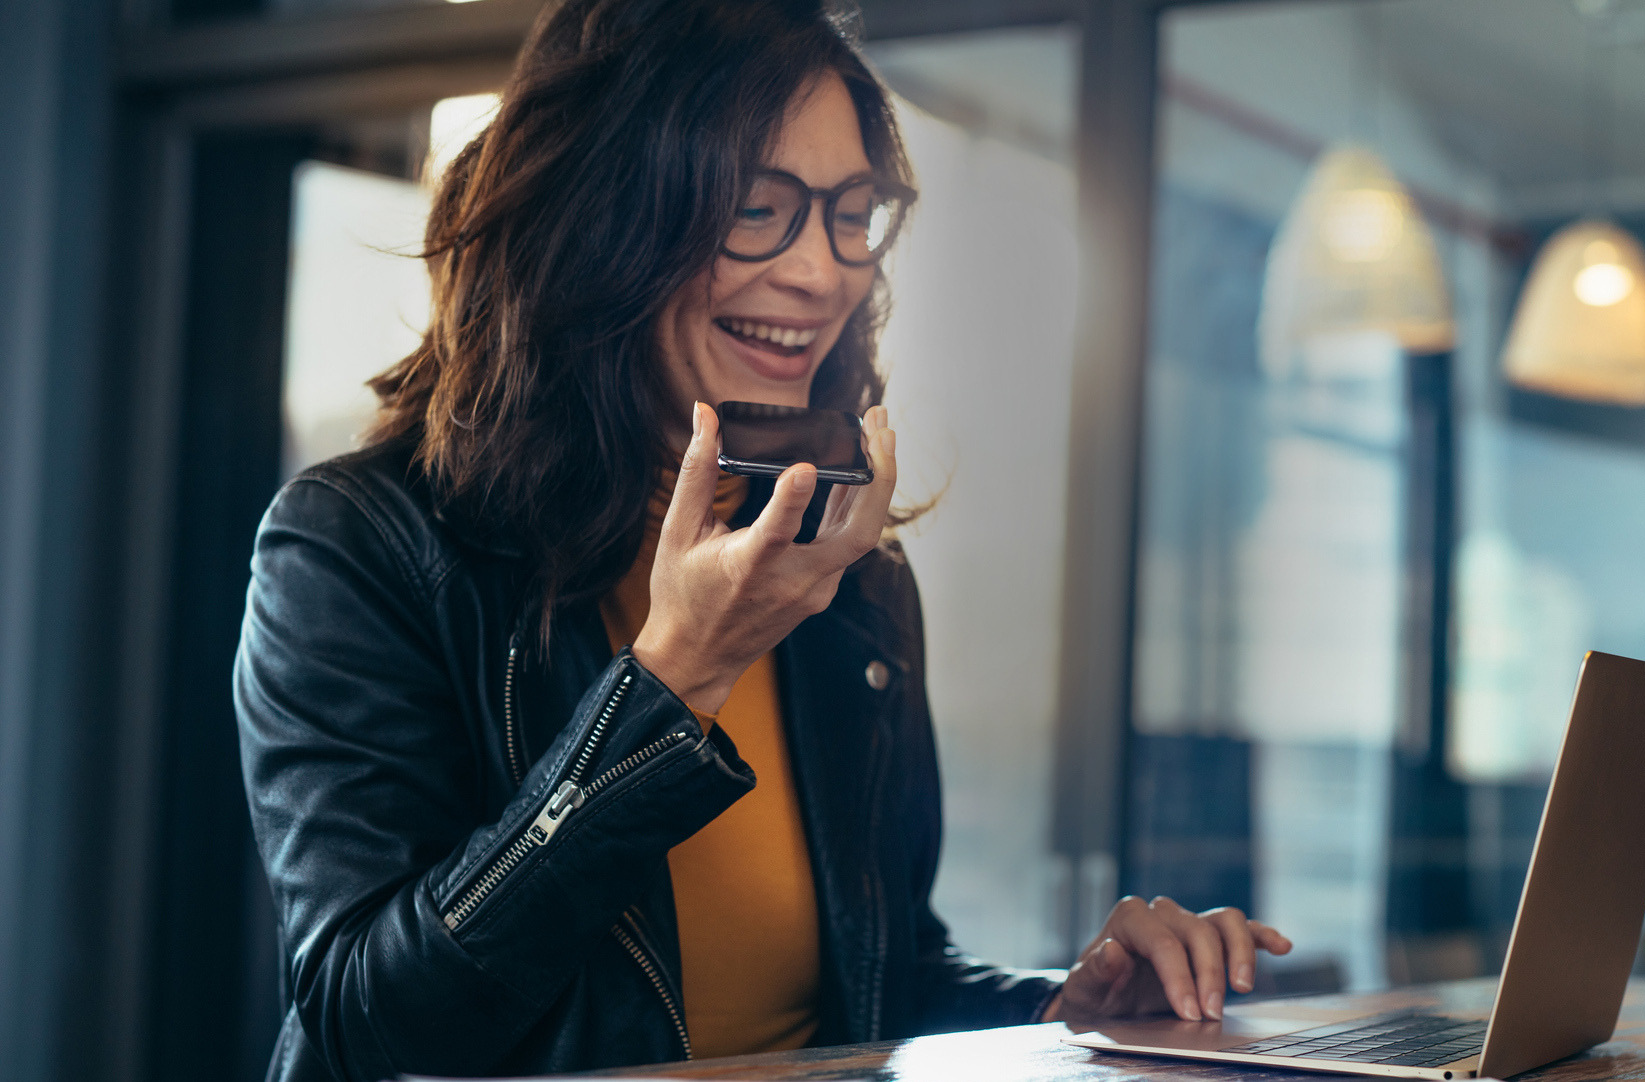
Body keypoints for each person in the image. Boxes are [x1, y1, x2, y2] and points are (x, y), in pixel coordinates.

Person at [234, 1, 1288, 1079]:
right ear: (598, 214)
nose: (824, 273)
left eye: (851, 214)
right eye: (755, 208)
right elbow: (371, 1017)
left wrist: (1067, 1004)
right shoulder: (354, 545)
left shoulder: (847, 576)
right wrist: (673, 678)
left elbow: (879, 978)